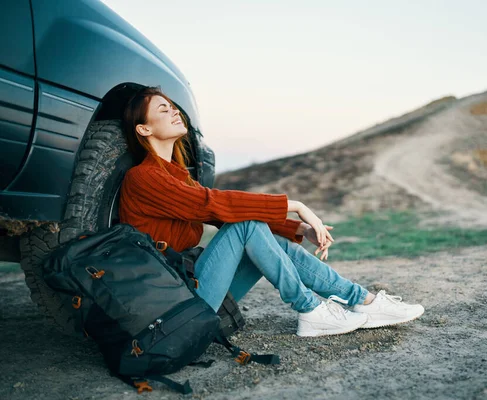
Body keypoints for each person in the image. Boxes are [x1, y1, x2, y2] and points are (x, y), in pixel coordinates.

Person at [119, 87, 424, 337]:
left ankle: (362, 301)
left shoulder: (177, 177)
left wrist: (296, 229)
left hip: (194, 293)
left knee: (257, 231)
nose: (174, 111)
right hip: (174, 308)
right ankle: (309, 309)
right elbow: (212, 204)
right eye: (163, 109)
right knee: (247, 225)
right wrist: (296, 206)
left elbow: (221, 213)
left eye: (173, 106)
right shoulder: (143, 178)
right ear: (144, 129)